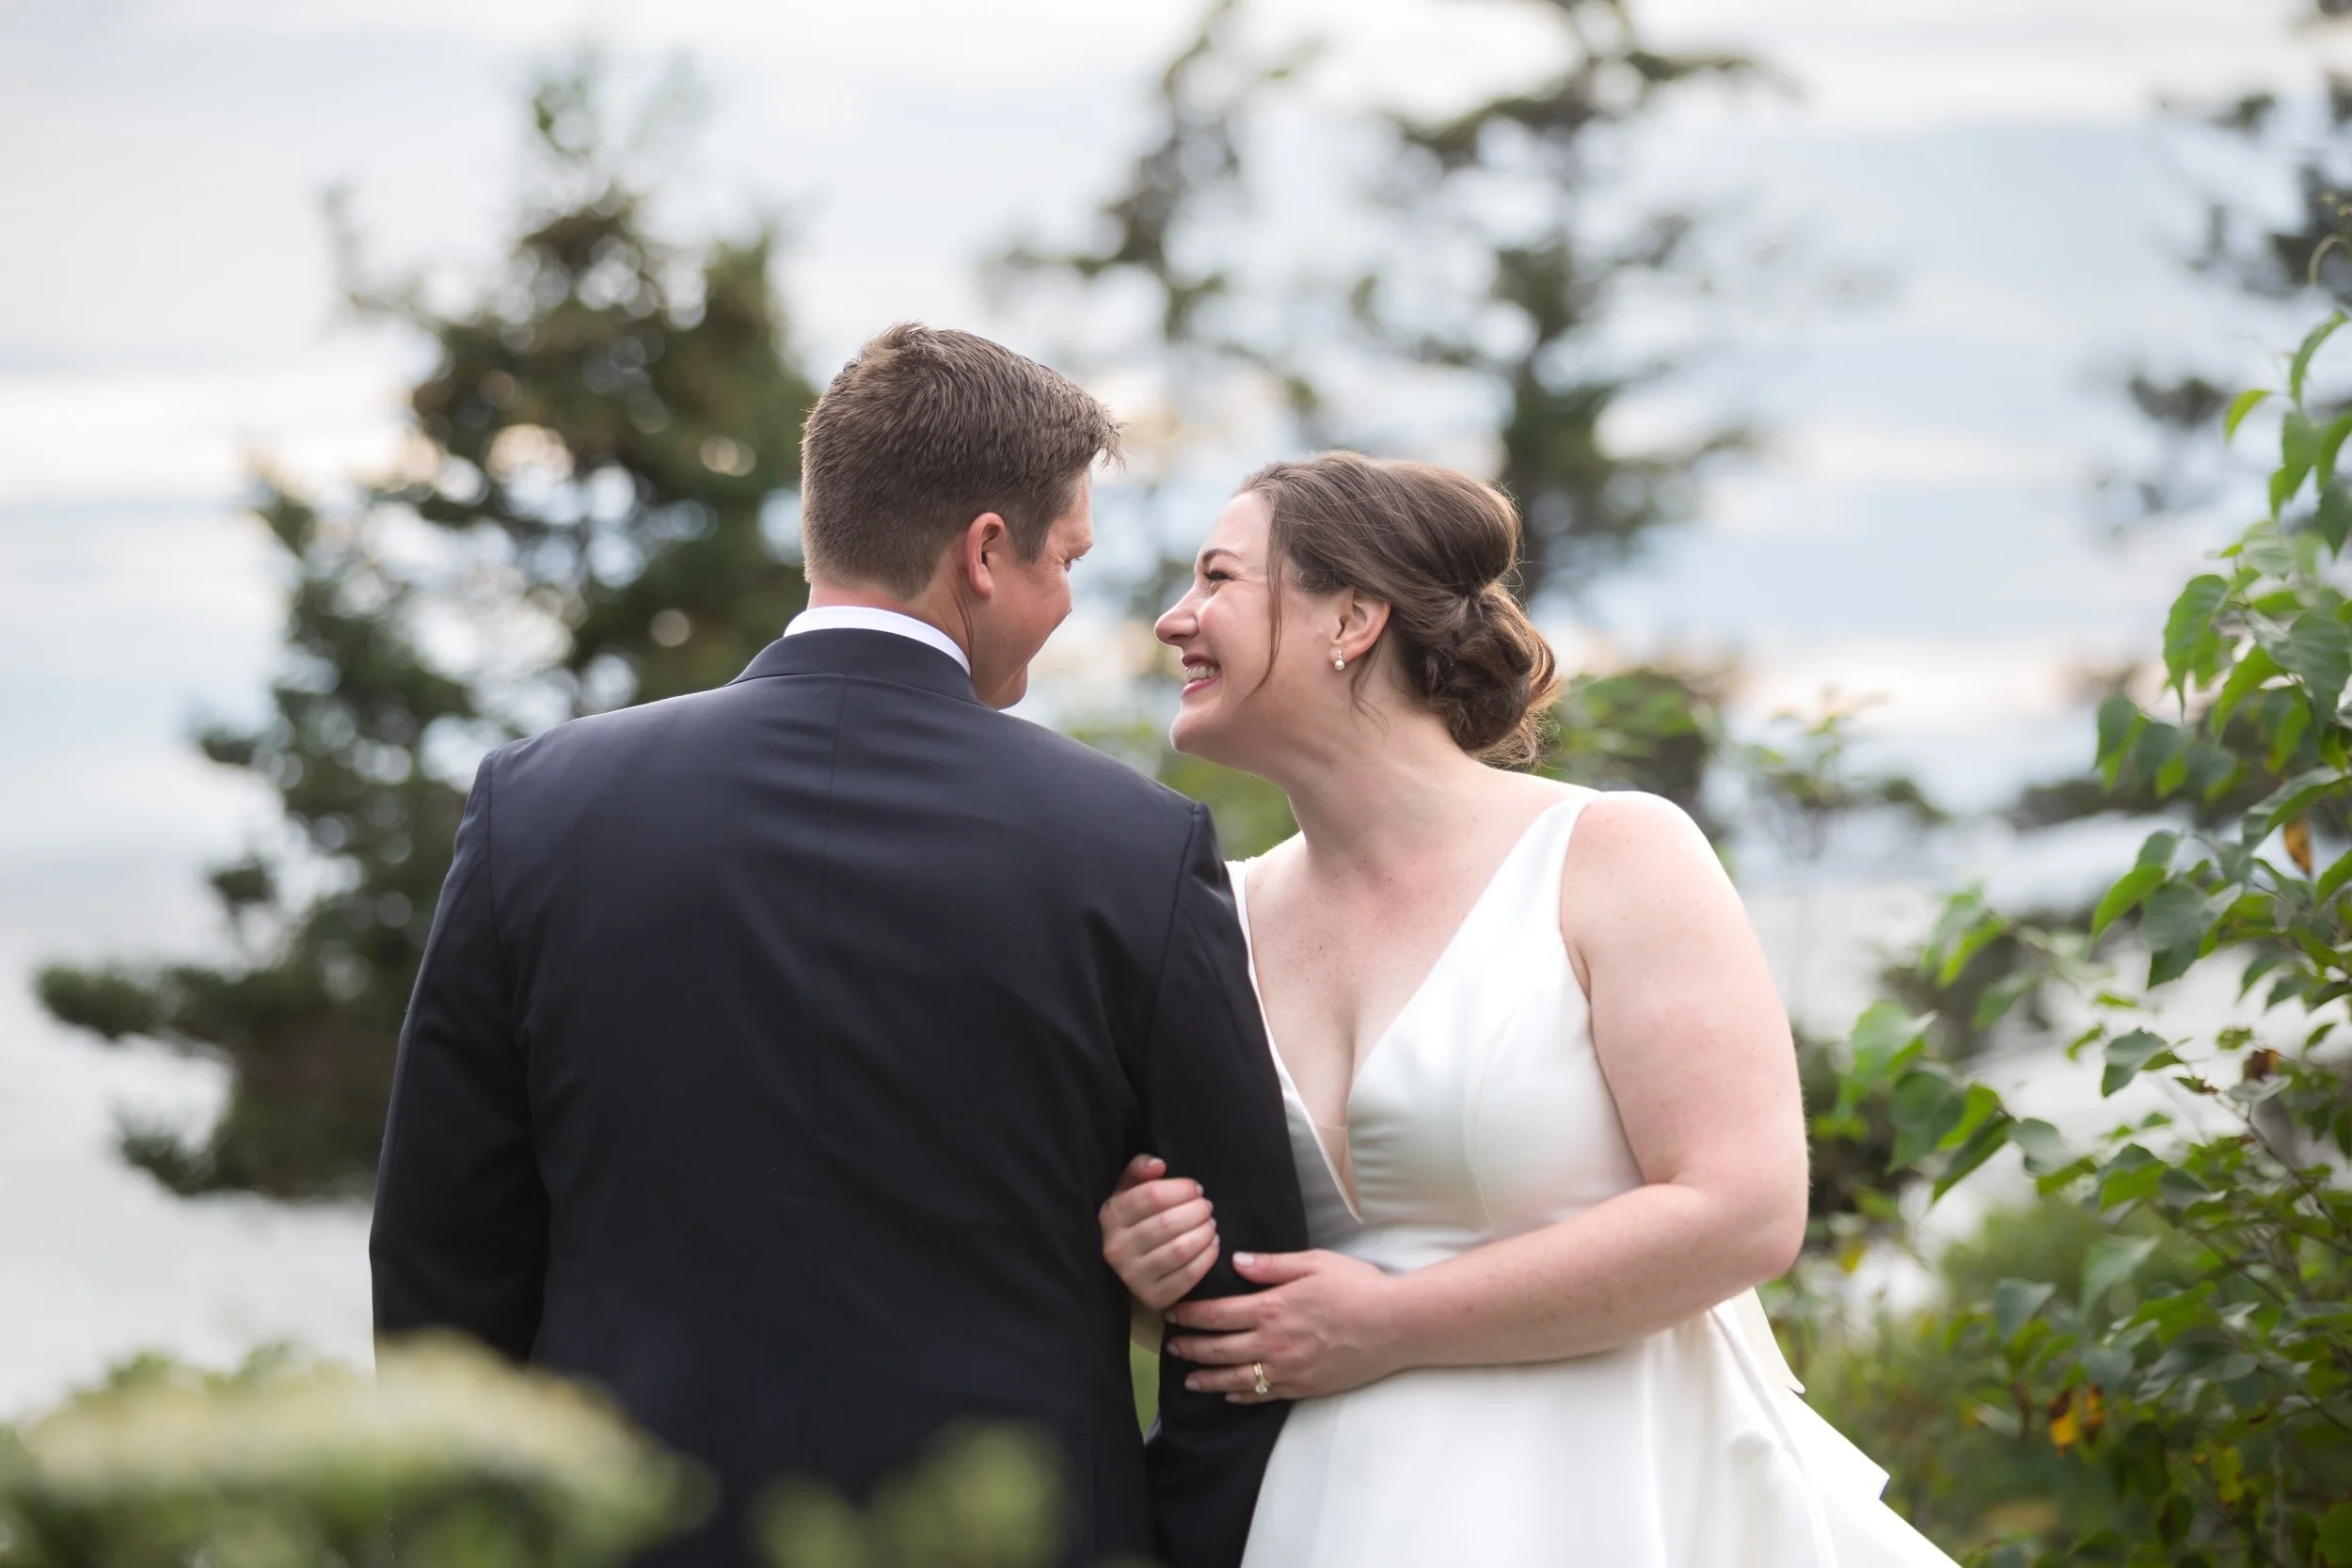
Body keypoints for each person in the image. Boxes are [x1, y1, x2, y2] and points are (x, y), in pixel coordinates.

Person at [371, 324, 1307, 1568]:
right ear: (984, 551)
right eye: (1067, 557)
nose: (1070, 598)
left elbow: (444, 1251)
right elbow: (1238, 1298)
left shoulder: (540, 804)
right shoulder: (1130, 846)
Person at [1100, 452, 1960, 1567]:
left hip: (1620, 1494)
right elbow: (1228, 1285)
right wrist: (1139, 1262)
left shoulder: (1611, 854)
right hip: (1331, 1513)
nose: (1175, 618)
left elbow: (1744, 1208)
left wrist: (1389, 1323)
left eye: (1217, 577)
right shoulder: (1227, 919)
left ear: (1351, 618)